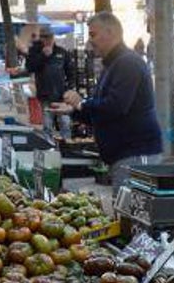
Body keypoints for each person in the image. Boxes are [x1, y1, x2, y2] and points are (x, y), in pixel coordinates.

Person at [59, 11, 162, 187]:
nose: (90, 40)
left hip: (135, 155)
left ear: (111, 33)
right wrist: (75, 110)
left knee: (132, 211)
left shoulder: (128, 63)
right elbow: (102, 112)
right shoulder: (113, 64)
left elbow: (116, 106)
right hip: (123, 156)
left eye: (93, 34)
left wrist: (80, 103)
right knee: (124, 210)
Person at [25, 27, 76, 135]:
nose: (47, 40)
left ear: (53, 38)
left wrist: (70, 88)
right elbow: (30, 67)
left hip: (62, 95)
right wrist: (43, 56)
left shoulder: (62, 52)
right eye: (44, 37)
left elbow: (71, 72)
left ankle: (66, 145)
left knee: (65, 123)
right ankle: (49, 147)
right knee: (47, 124)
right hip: (45, 94)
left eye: (49, 37)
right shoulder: (35, 51)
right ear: (41, 38)